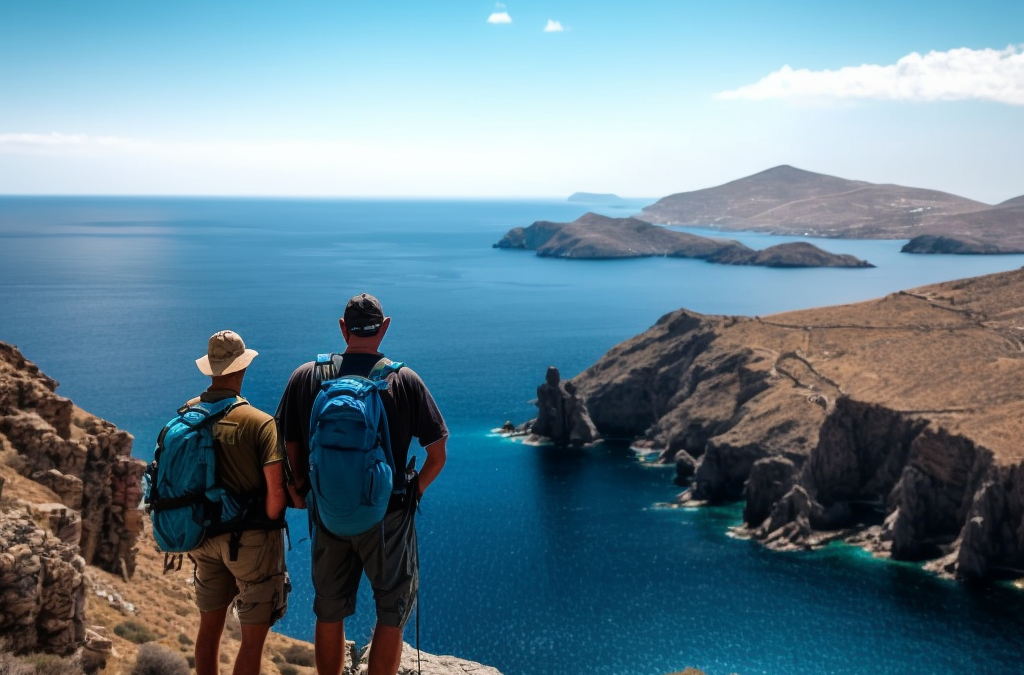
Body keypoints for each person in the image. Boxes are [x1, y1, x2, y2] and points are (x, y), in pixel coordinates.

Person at [277, 293, 448, 675]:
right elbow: (437, 455)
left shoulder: (308, 376)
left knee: (329, 608)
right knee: (392, 611)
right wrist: (412, 494)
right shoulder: (404, 380)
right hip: (387, 516)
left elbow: (287, 444)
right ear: (384, 328)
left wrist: (302, 489)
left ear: (343, 328)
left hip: (328, 512)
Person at [187, 330, 289, 675]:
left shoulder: (187, 415)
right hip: (252, 543)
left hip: (202, 538)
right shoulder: (259, 423)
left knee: (208, 632)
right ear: (242, 368)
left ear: (211, 369)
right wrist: (270, 525)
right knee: (252, 641)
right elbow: (276, 493)